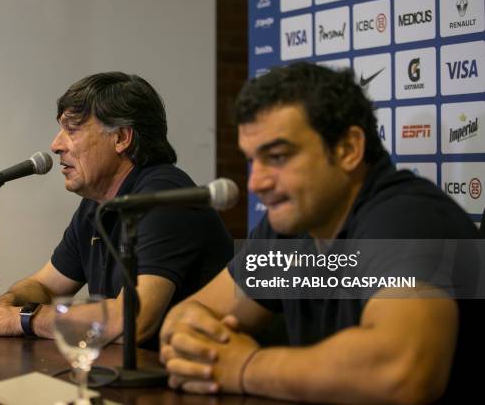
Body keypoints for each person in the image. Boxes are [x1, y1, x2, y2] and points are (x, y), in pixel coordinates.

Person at [159, 62, 481, 403]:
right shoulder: (293, 225)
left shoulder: (410, 218)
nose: (256, 183)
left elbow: (401, 370)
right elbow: (191, 315)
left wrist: (245, 366)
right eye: (253, 160)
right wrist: (186, 337)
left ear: (348, 149)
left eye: (278, 156)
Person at [0, 72, 234, 348]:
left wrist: (24, 319)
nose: (56, 145)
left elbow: (134, 320)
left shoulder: (164, 197)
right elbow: (46, 287)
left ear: (121, 138)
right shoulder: (96, 203)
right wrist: (7, 303)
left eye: (72, 130)